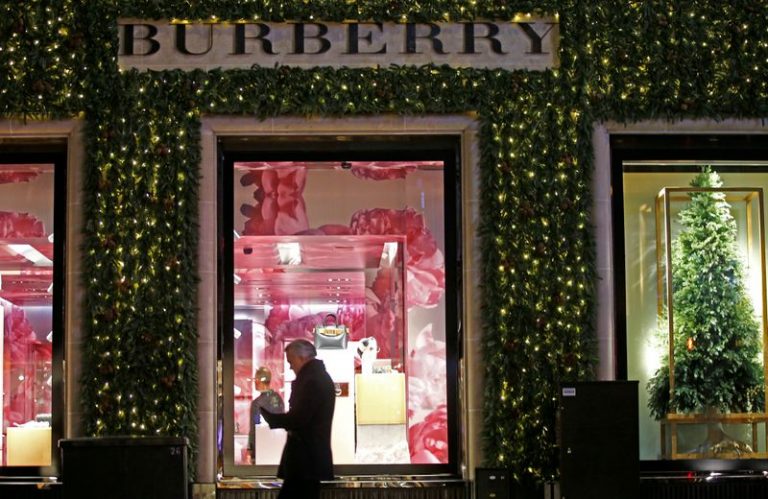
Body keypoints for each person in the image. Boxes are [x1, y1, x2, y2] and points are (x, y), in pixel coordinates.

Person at [261, 339, 336, 499]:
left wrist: (273, 419)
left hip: (305, 460)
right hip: (307, 460)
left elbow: (300, 418)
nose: (290, 366)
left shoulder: (313, 380)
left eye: (291, 361)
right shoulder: (316, 377)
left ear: (302, 357)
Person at [247, 366, 285, 464]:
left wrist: (251, 451)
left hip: (262, 448)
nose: (255, 382)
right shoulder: (279, 399)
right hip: (278, 448)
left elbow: (254, 427)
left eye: (256, 379)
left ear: (259, 381)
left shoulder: (257, 403)